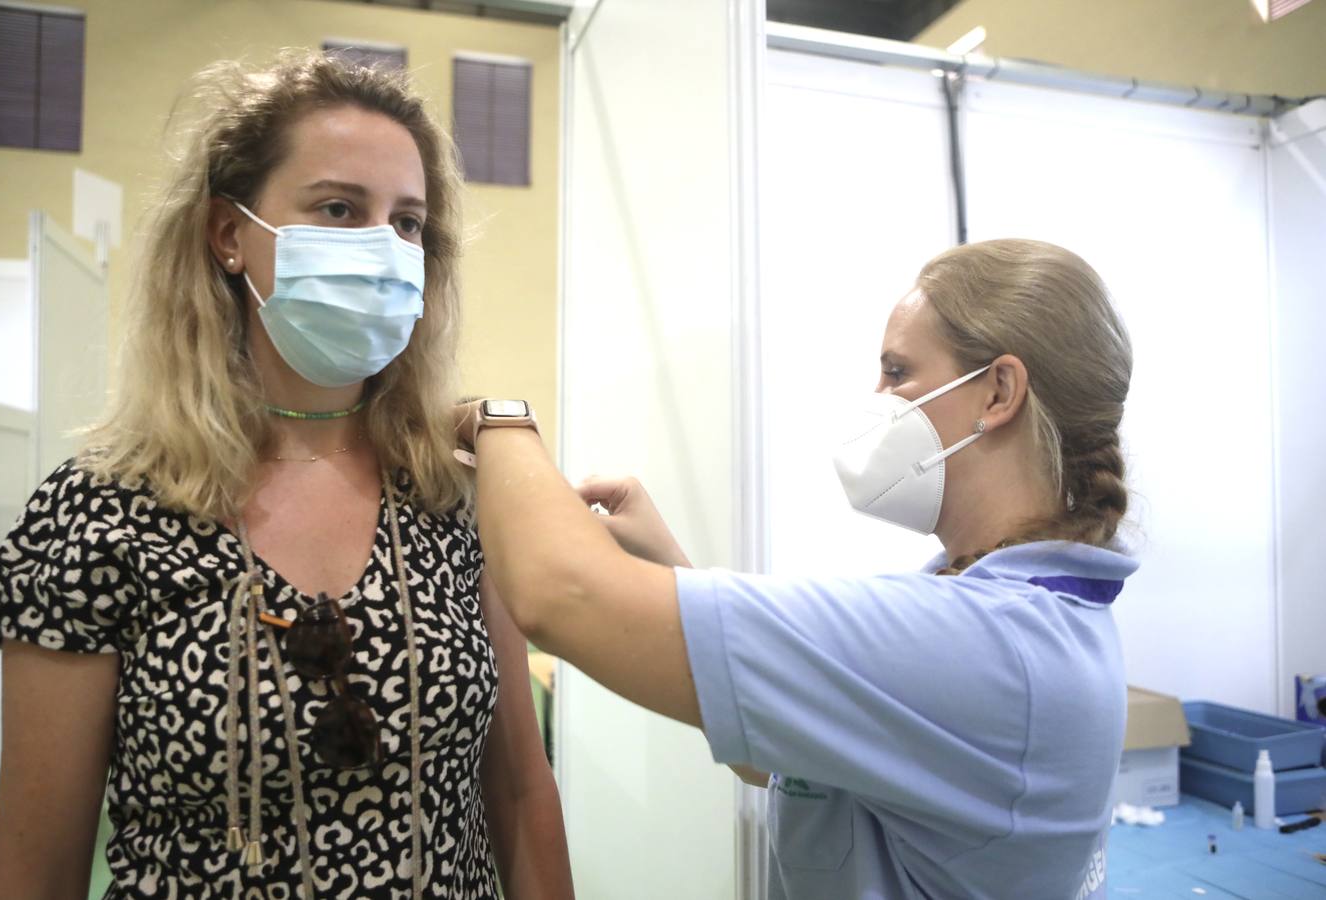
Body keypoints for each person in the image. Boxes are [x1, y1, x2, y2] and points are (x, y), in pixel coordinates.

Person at [0, 52, 573, 900]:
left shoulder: (456, 494)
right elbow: (35, 866)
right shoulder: (98, 514)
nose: (383, 248)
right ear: (229, 234)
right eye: (339, 208)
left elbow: (518, 793)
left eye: (407, 224)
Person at [458, 239, 1134, 899]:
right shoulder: (1017, 611)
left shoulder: (986, 646)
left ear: (997, 393)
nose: (877, 396)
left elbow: (562, 595)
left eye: (897, 373)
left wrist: (498, 423)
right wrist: (667, 562)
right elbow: (773, 758)